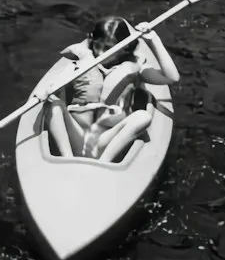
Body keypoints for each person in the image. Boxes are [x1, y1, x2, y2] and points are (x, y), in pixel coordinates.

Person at [43, 16, 181, 161]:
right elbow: (65, 55)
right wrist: (88, 44)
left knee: (143, 117)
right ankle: (67, 159)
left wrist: (153, 39)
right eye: (98, 46)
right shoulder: (82, 59)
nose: (102, 52)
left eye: (109, 48)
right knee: (53, 103)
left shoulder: (136, 66)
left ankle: (103, 163)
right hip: (77, 136)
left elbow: (171, 78)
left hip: (105, 140)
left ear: (124, 47)